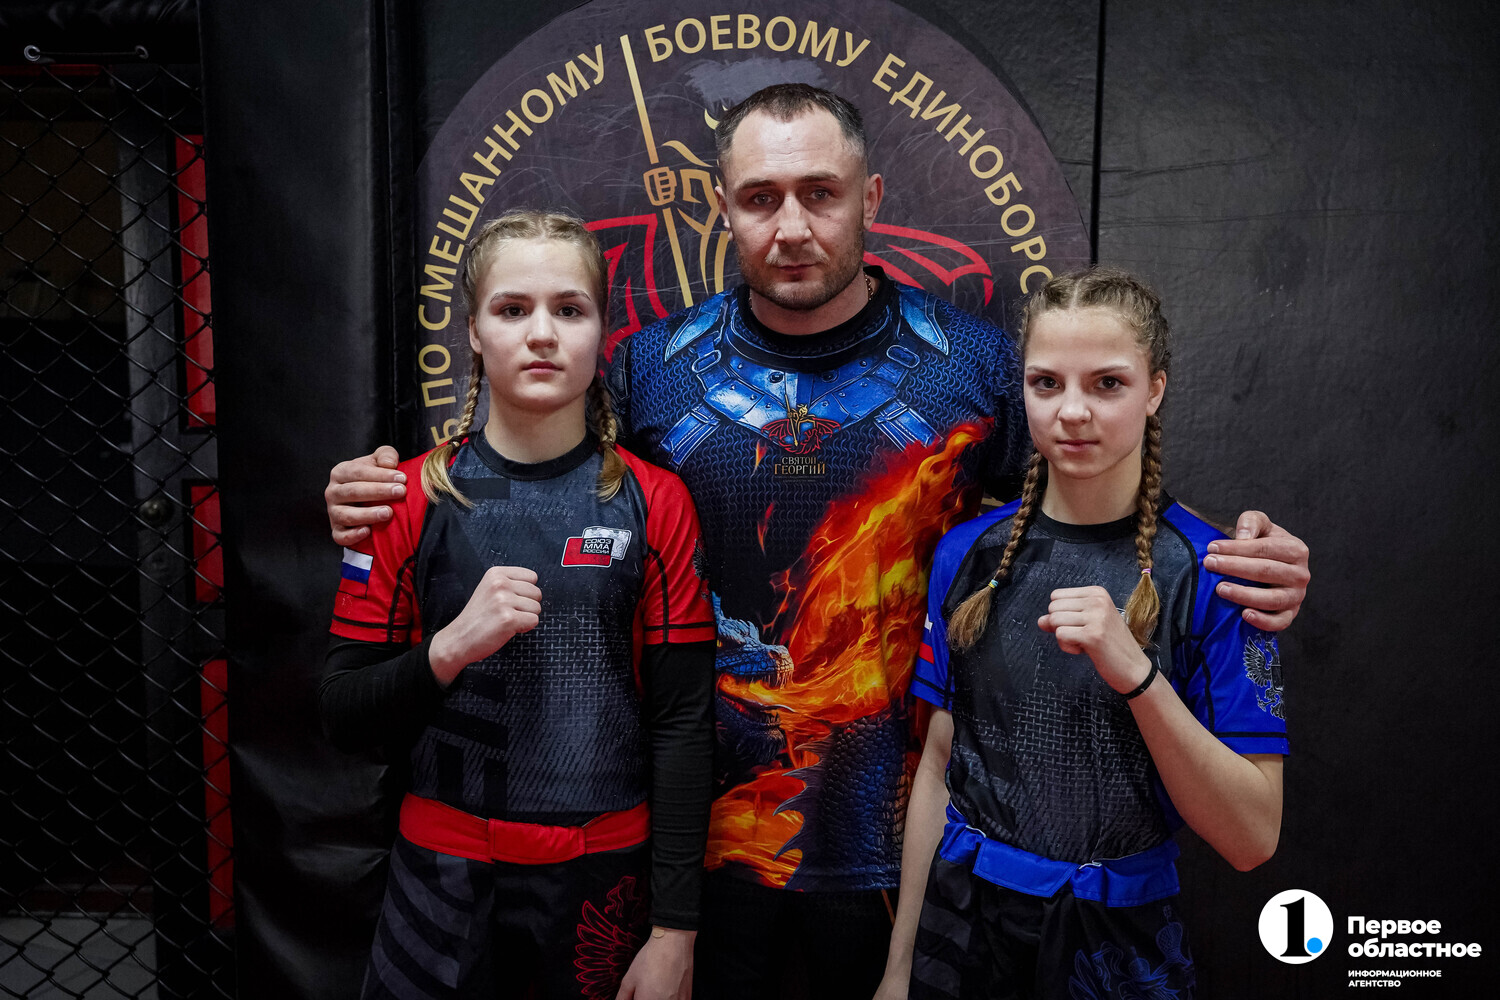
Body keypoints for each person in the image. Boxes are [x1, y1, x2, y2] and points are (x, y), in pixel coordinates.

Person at [324, 87, 1310, 998]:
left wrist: (1235, 559)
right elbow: (528, 478)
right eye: (760, 197)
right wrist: (379, 494)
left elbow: (1087, 505)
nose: (791, 226)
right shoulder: (647, 369)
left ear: (870, 197)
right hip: (696, 851)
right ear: (721, 206)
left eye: (819, 193)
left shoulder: (975, 366)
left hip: (908, 848)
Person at [318, 210, 716, 1000]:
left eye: (569, 309)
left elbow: (682, 725)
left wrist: (676, 931)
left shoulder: (655, 502)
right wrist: (449, 649)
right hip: (442, 880)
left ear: (601, 330)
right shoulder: (402, 499)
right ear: (472, 331)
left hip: (601, 877)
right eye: (512, 309)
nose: (542, 334)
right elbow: (341, 715)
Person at [876, 268, 1286, 999]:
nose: (1072, 411)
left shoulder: (1216, 574)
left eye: (1108, 384)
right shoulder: (967, 554)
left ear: (1155, 389)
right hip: (964, 927)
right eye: (1046, 383)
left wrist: (1139, 677)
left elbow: (1253, 838)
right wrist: (900, 969)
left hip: (1115, 939)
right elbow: (939, 765)